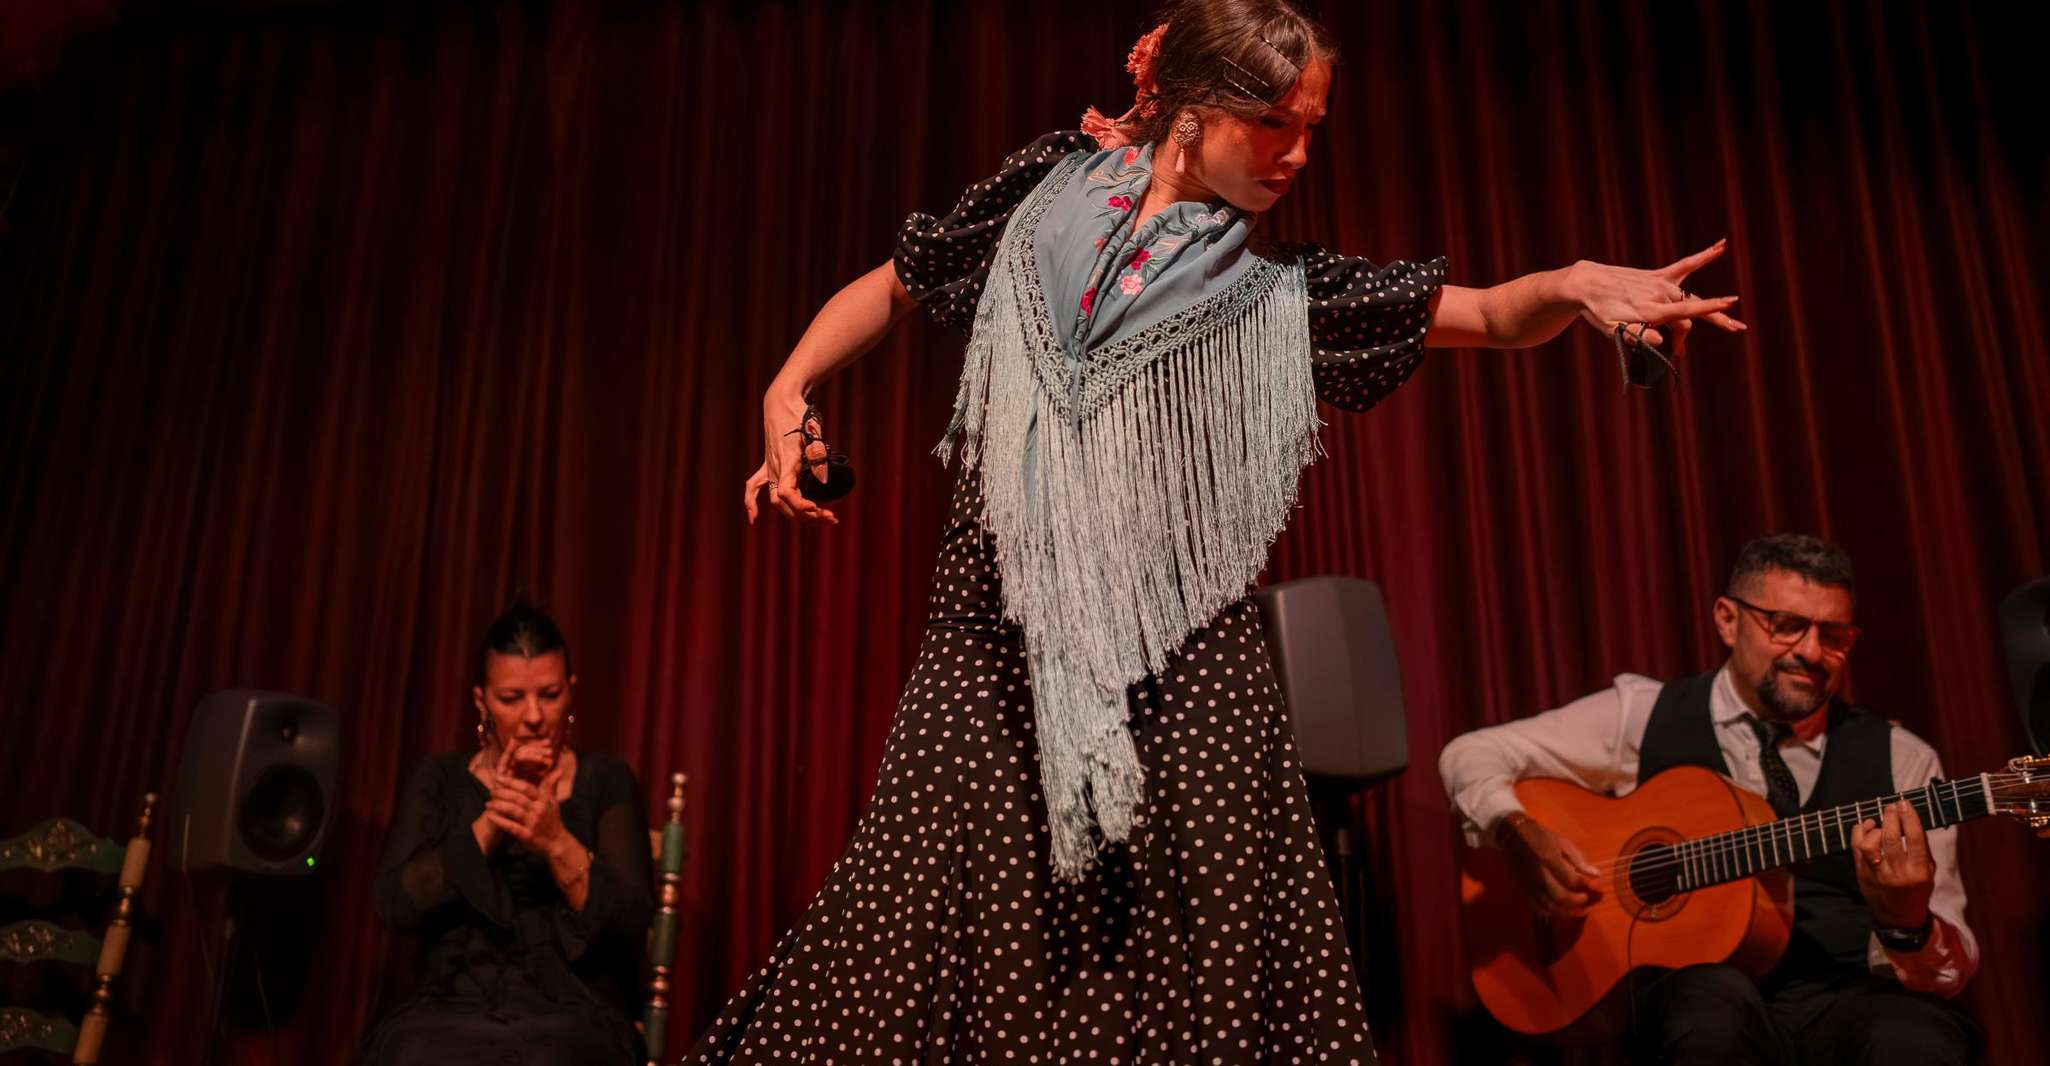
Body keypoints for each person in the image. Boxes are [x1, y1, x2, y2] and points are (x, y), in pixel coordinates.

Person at [696, 1, 1744, 1059]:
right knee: (916, 928)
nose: (1298, 154)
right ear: (1192, 111)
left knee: (1181, 965)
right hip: (990, 641)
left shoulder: (1274, 294)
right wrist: (790, 387)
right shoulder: (1045, 192)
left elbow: (1482, 313)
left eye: (1313, 129)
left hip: (1180, 671)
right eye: (1275, 125)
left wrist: (1568, 287)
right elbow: (900, 280)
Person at [1439, 534, 1981, 1064]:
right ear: (1727, 619)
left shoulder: (1901, 758)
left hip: (1847, 996)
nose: (1812, 653)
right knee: (1707, 1012)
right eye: (1787, 626)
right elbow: (1470, 753)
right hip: (1699, 998)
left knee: (1918, 1041)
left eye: (1833, 635)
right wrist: (1514, 832)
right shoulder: (1642, 714)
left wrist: (1905, 922)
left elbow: (1948, 973)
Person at [363, 600, 654, 1066]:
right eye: (512, 699)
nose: (534, 716)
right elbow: (394, 904)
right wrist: (491, 823)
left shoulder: (606, 779)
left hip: (572, 1005)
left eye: (551, 694)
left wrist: (556, 840)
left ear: (571, 693)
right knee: (417, 1052)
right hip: (451, 1001)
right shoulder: (439, 778)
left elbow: (633, 915)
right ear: (482, 702)